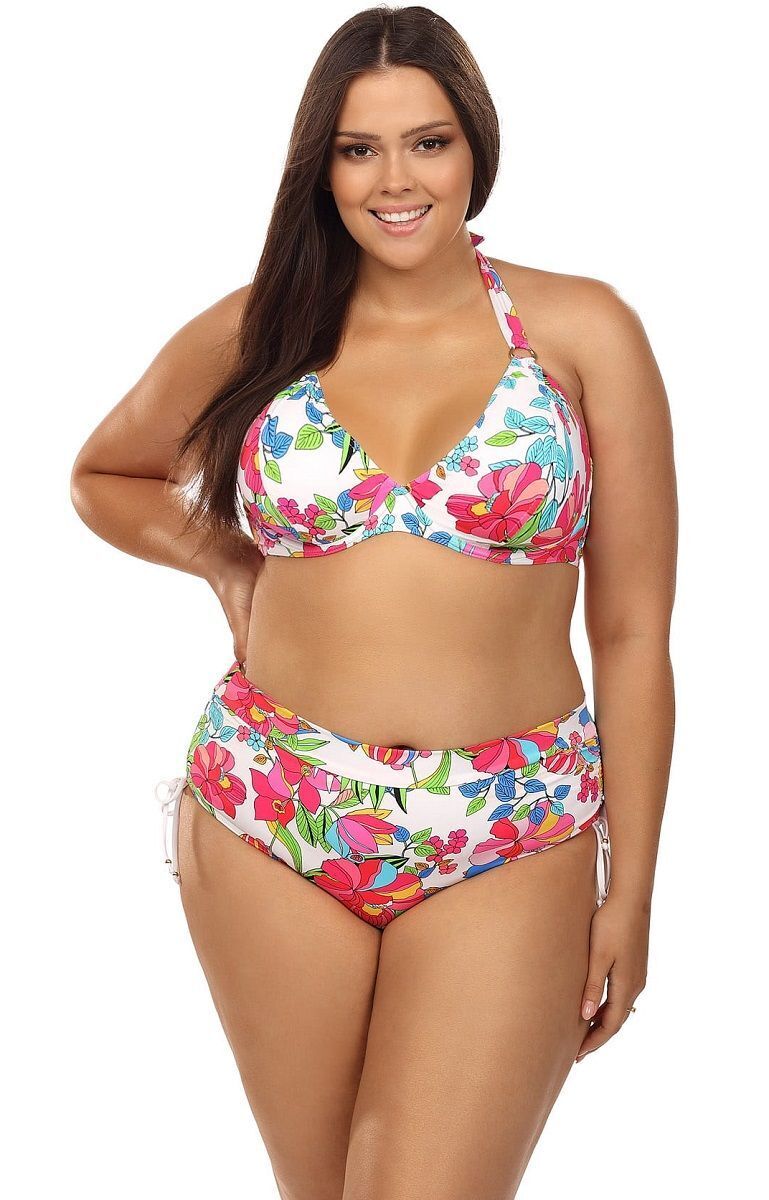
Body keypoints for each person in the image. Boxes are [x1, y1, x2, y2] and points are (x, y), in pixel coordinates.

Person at [70, 7, 677, 1198]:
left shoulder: (581, 331)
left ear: (474, 148)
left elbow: (632, 631)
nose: (395, 181)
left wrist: (634, 893)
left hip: (510, 828)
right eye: (359, 150)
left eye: (426, 142)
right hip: (272, 807)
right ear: (323, 166)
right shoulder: (265, 326)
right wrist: (227, 562)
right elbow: (105, 475)